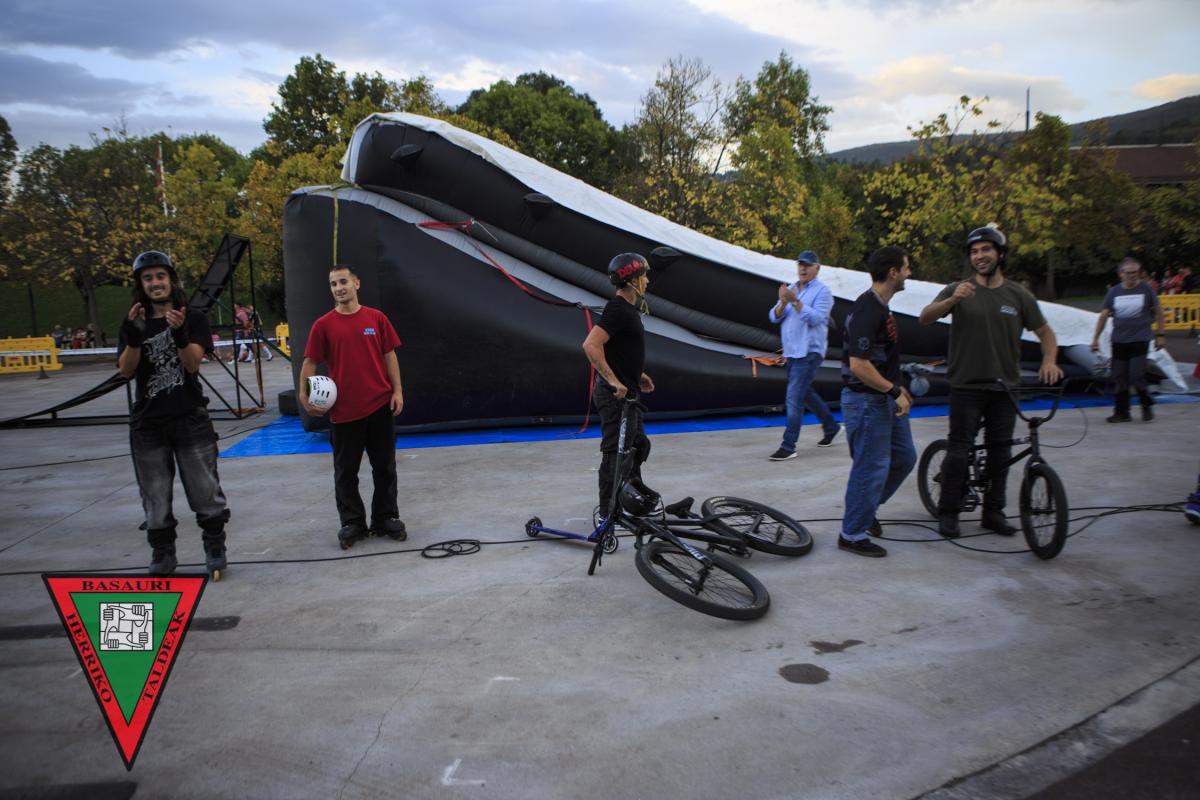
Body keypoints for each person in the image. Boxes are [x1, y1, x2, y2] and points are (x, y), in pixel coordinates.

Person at [918, 226, 1064, 539]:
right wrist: (952, 300)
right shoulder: (959, 288)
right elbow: (925, 317)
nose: (979, 256)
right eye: (974, 251)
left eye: (986, 249)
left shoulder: (1018, 295)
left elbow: (1046, 333)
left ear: (1000, 254)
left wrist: (1049, 361)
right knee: (959, 450)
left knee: (1001, 453)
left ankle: (993, 512)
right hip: (966, 386)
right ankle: (949, 511)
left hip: (1004, 389)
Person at [117, 250, 230, 577]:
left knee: (205, 489)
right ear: (141, 284)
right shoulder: (132, 321)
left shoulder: (193, 318)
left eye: (160, 276)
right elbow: (125, 370)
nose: (155, 283)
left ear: (171, 280)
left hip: (189, 417)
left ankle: (214, 547)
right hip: (148, 422)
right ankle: (163, 552)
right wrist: (134, 336)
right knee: (154, 495)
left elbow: (192, 364)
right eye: (148, 278)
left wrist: (180, 334)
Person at [299, 264, 407, 549]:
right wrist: (304, 396)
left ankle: (386, 517)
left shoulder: (376, 318)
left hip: (380, 406)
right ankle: (353, 523)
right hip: (344, 412)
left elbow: (389, 355)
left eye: (343, 282)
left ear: (356, 284)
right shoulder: (323, 325)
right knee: (346, 473)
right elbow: (309, 362)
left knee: (384, 468)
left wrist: (397, 391)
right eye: (333, 284)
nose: (339, 288)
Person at [837, 246, 917, 558]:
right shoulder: (867, 310)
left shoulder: (881, 307)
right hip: (867, 401)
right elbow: (859, 365)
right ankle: (852, 533)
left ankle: (866, 508)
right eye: (906, 267)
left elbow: (880, 358)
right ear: (893, 272)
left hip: (882, 398)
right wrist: (893, 391)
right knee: (870, 468)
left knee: (904, 458)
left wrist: (899, 387)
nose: (909, 272)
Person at [581, 253, 656, 519]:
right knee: (615, 454)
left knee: (637, 446)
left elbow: (619, 349)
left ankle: (632, 501)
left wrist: (637, 374)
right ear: (633, 281)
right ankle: (607, 514)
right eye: (644, 276)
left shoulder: (627, 311)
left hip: (629, 394)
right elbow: (591, 345)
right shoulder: (618, 309)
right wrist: (613, 380)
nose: (647, 280)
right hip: (615, 396)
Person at [767, 249, 841, 461]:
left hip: (809, 351)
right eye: (800, 264)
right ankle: (831, 426)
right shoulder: (791, 289)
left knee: (793, 398)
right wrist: (783, 302)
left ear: (817, 268)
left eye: (808, 265)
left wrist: (794, 302)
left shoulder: (823, 292)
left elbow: (816, 318)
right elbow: (773, 317)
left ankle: (788, 446)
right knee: (805, 393)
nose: (803, 268)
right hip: (792, 352)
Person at [1090, 257, 1165, 422]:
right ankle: (1122, 412)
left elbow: (1159, 312)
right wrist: (1095, 339)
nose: (1131, 276)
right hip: (1119, 340)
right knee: (1119, 376)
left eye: (1134, 272)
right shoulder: (1114, 292)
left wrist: (1160, 335)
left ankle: (1146, 404)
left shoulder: (1146, 289)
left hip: (1140, 339)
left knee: (1136, 374)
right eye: (1128, 273)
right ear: (1121, 274)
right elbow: (1103, 316)